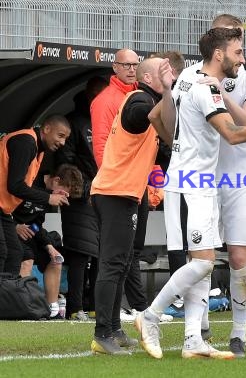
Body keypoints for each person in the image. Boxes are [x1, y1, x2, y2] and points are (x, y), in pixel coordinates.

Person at [135, 27, 246, 360]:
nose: (242, 57)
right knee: (202, 263)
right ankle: (151, 316)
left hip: (197, 180)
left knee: (204, 259)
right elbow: (232, 133)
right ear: (219, 53)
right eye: (237, 50)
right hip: (194, 183)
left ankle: (193, 342)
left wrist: (178, 143)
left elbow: (161, 119)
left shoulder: (190, 76)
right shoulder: (206, 87)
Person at [165, 15, 246, 356]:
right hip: (202, 177)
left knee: (239, 255)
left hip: (241, 173)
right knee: (203, 254)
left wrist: (216, 92)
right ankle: (198, 328)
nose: (240, 52)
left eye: (240, 40)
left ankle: (238, 333)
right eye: (233, 42)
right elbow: (170, 117)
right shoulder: (194, 76)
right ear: (218, 45)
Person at [89, 57, 173, 355]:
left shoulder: (148, 100)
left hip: (128, 194)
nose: (170, 75)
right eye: (165, 72)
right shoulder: (139, 100)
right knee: (112, 263)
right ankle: (102, 334)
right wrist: (167, 94)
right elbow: (143, 116)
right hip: (114, 193)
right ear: (148, 76)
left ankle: (113, 327)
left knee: (123, 263)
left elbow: (165, 147)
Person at [90, 48, 150, 319]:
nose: (131, 69)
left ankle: (123, 316)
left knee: (128, 257)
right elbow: (101, 146)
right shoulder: (106, 100)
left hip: (136, 186)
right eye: (126, 64)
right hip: (117, 187)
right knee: (115, 260)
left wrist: (153, 186)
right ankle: (117, 320)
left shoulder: (138, 97)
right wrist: (115, 179)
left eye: (135, 64)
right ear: (114, 67)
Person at [55, 76, 108, 320]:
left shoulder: (108, 119)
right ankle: (76, 308)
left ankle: (95, 306)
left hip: (103, 194)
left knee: (100, 253)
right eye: (98, 94)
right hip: (80, 197)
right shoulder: (74, 121)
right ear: (89, 94)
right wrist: (85, 190)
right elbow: (65, 162)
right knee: (79, 253)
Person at [0, 115, 71, 276]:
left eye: (66, 138)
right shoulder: (26, 142)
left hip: (3, 209)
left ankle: (10, 299)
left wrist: (50, 193)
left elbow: (26, 187)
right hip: (4, 209)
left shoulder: (38, 149)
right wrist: (48, 198)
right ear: (46, 129)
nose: (63, 143)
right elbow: (15, 186)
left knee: (15, 252)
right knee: (5, 253)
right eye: (60, 136)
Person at [14, 164, 83, 319]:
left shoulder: (48, 197)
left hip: (28, 235)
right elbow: (5, 210)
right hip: (10, 233)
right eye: (63, 193)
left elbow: (37, 224)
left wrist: (49, 246)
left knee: (56, 258)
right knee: (27, 257)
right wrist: (15, 227)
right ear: (56, 180)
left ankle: (53, 309)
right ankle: (25, 307)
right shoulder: (29, 181)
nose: (61, 198)